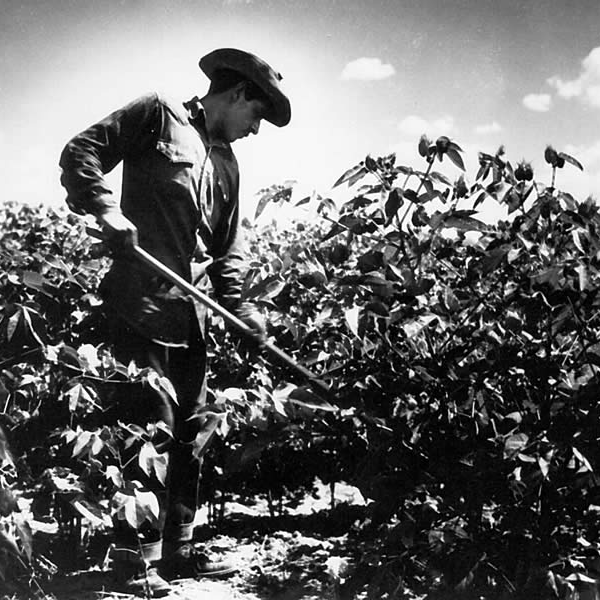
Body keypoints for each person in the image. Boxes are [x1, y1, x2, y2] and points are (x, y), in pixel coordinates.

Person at [59, 48, 291, 596]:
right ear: (236, 95)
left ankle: (179, 555)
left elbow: (229, 248)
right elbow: (83, 150)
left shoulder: (230, 164)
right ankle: (135, 564)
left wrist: (243, 310)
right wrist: (105, 209)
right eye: (257, 116)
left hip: (192, 317)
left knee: (193, 431)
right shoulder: (158, 115)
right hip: (138, 306)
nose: (255, 130)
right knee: (149, 428)